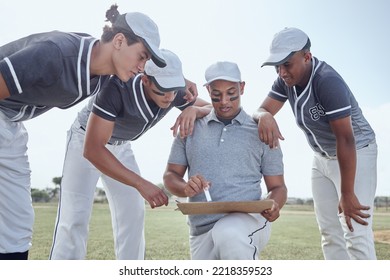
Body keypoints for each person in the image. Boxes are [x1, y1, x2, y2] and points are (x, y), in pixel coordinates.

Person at [0, 4, 172, 260]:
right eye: (142, 56)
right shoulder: (59, 54)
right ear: (120, 41)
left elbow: (161, 82)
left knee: (17, 228)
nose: (142, 66)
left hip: (12, 124)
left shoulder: (104, 74)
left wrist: (188, 92)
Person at [49, 49, 211, 260]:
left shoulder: (173, 90)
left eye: (173, 90)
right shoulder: (116, 88)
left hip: (121, 145)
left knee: (133, 213)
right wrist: (141, 183)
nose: (170, 97)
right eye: (162, 91)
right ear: (145, 80)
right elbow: (93, 149)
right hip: (85, 141)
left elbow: (212, 107)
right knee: (74, 217)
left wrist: (193, 110)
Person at [253, 27, 377, 260]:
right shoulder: (284, 81)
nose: (281, 72)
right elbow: (261, 110)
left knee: (355, 231)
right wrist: (264, 115)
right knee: (330, 233)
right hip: (320, 158)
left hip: (356, 152)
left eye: (287, 64)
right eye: (277, 66)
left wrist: (347, 192)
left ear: (307, 57)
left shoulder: (327, 81)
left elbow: (346, 138)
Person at [163, 61, 287, 260]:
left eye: (232, 93)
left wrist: (275, 205)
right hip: (201, 229)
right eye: (216, 95)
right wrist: (185, 187)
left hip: (248, 223)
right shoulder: (190, 127)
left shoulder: (263, 131)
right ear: (207, 90)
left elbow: (278, 187)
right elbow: (170, 176)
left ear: (242, 88)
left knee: (228, 231)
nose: (224, 102)